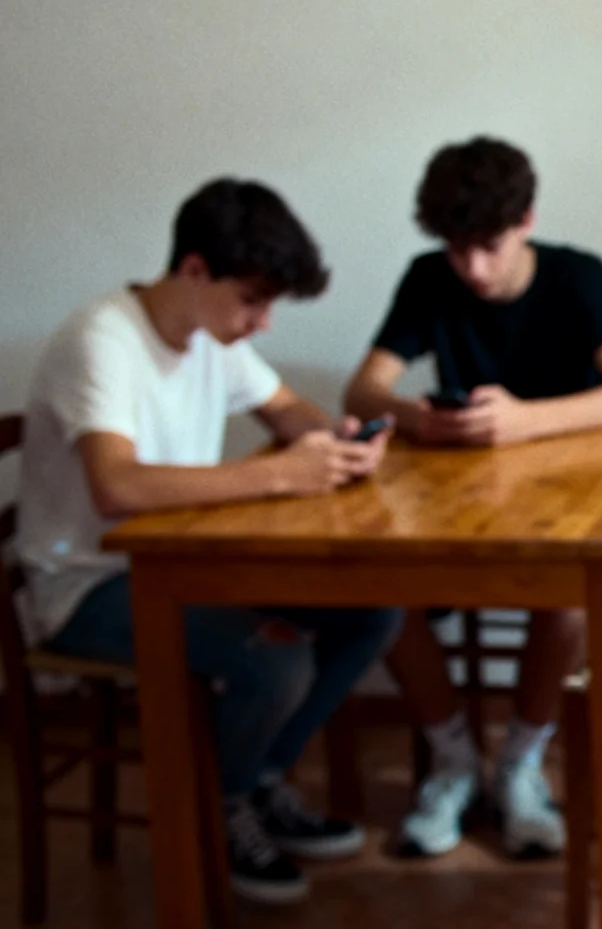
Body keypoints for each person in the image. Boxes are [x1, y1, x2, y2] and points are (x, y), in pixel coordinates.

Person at [16, 178, 405, 905]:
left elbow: (286, 409)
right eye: (251, 300)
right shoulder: (101, 339)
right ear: (194, 269)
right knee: (278, 657)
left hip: (178, 567)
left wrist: (339, 440)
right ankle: (222, 809)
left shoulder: (205, 332)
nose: (260, 322)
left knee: (373, 612)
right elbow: (118, 486)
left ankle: (256, 778)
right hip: (85, 586)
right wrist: (280, 476)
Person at [343, 136, 602, 860]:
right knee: (383, 593)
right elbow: (362, 389)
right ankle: (454, 760)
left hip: (569, 498)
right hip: (456, 497)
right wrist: (421, 416)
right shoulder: (429, 276)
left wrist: (522, 419)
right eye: (457, 250)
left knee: (570, 602)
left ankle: (519, 764)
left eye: (487, 246)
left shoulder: (577, 275)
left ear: (526, 220)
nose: (472, 269)